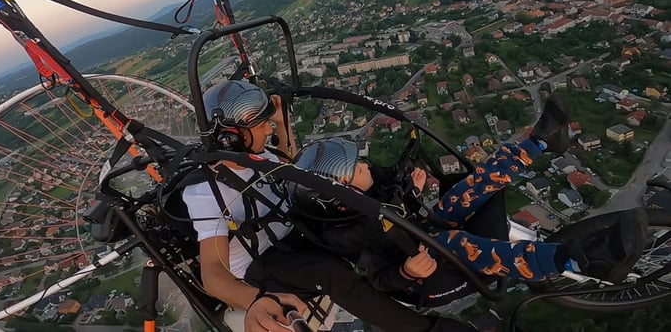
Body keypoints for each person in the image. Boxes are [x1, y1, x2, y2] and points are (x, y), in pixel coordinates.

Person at [290, 95, 648, 306]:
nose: (367, 165)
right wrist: (404, 273)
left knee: (469, 189)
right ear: (344, 197)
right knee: (454, 243)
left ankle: (541, 140)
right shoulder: (348, 235)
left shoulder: (362, 189)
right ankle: (578, 261)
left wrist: (411, 185)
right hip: (423, 279)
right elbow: (376, 280)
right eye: (358, 169)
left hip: (423, 231)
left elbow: (389, 180)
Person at [182, 80, 475, 332]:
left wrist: (282, 126)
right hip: (263, 261)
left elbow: (289, 170)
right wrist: (255, 300)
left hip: (294, 229)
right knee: (330, 271)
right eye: (261, 124)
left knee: (354, 220)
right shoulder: (207, 192)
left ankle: (408, 273)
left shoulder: (257, 154)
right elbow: (212, 272)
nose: (268, 127)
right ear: (231, 137)